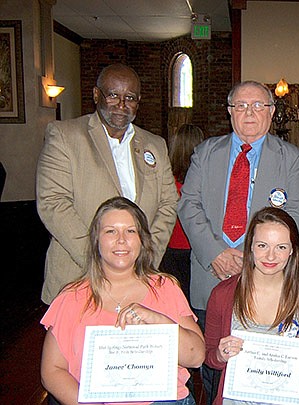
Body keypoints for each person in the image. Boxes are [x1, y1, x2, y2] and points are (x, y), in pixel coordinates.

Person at [178, 81, 299, 404]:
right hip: (211, 275)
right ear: (229, 112)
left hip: (267, 279)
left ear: (272, 112)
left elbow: (298, 214)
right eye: (241, 106)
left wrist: (252, 256)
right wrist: (215, 253)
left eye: (258, 106)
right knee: (214, 362)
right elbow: (188, 204)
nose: (249, 113)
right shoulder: (206, 152)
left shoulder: (291, 158)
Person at [40, 196, 205, 405]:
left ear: (142, 240)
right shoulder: (71, 298)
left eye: (130, 231)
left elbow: (196, 357)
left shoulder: (165, 288)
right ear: (96, 240)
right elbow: (52, 372)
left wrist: (157, 320)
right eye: (110, 231)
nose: (121, 239)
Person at [36, 63, 178, 305]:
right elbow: (53, 203)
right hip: (79, 277)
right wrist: (100, 261)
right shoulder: (65, 135)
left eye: (129, 97)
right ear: (96, 95)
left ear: (138, 101)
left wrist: (144, 260)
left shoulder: (155, 144)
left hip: (139, 279)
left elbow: (168, 204)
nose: (121, 105)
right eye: (113, 95)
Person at [204, 207, 299, 405]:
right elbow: (209, 356)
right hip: (238, 398)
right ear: (251, 246)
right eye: (262, 245)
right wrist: (220, 355)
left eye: (281, 247)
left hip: (287, 397)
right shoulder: (222, 295)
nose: (271, 257)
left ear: (292, 251)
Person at [160, 123, 205, 301]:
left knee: (175, 298)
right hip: (194, 247)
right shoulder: (201, 182)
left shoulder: (167, 180)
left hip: (170, 247)